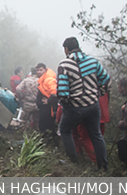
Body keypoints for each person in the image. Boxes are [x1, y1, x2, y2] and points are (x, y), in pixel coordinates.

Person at [57, 37, 110, 170]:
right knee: (96, 134)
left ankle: (74, 162)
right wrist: (99, 93)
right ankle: (103, 166)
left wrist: (67, 105)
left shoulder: (65, 65)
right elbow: (106, 79)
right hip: (93, 106)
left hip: (75, 107)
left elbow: (62, 93)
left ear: (67, 49)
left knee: (64, 130)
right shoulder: (92, 61)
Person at [55, 93, 110, 163]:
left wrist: (59, 117)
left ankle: (93, 161)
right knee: (98, 136)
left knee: (84, 137)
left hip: (83, 110)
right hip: (101, 112)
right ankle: (101, 162)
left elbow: (63, 100)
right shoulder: (98, 84)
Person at [35, 63, 58, 142]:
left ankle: (51, 142)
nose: (39, 72)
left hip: (49, 109)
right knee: (44, 125)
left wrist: (49, 101)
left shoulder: (48, 79)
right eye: (37, 70)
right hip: (44, 108)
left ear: (45, 70)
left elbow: (54, 92)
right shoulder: (42, 79)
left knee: (48, 126)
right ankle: (47, 141)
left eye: (41, 70)